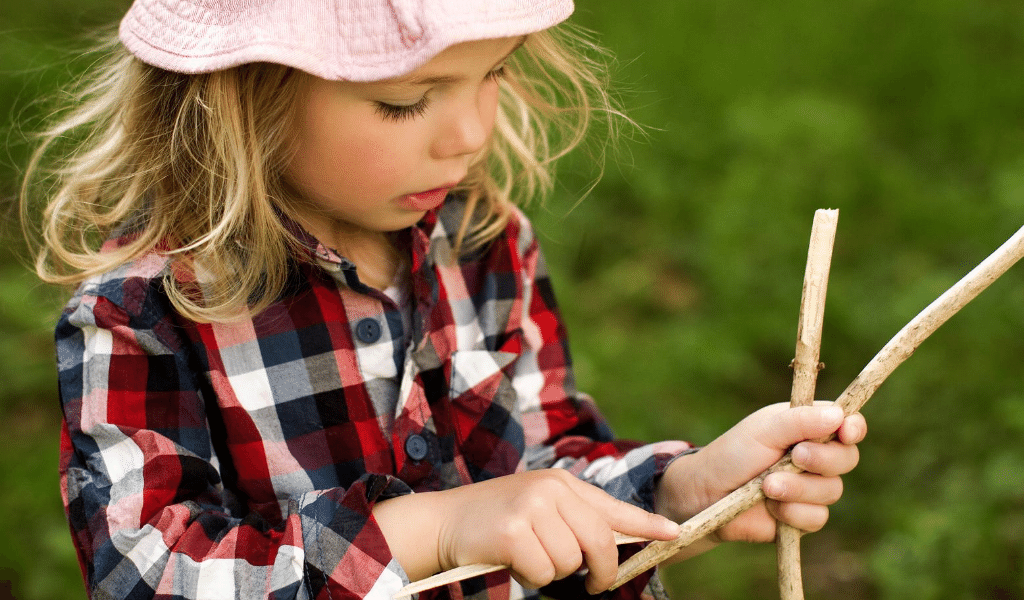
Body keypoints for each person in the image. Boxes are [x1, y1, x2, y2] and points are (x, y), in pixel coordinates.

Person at [21, 1, 866, 599]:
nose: (469, 135)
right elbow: (146, 576)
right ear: (242, 96)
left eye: (493, 73)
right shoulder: (145, 312)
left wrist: (683, 491)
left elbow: (547, 463)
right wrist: (435, 532)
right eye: (407, 100)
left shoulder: (485, 241)